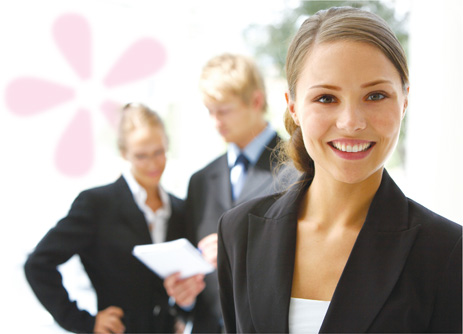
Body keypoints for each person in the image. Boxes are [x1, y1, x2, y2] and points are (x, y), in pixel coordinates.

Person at [217, 7, 462, 334]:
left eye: (375, 95)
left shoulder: (446, 252)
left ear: (404, 100)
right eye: (326, 98)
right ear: (293, 106)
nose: (351, 122)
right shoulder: (239, 232)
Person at [24, 103, 194, 333]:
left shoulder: (180, 209)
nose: (153, 164)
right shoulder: (97, 205)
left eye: (159, 152)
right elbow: (38, 264)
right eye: (141, 156)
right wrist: (83, 322)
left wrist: (183, 314)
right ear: (124, 153)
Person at [163, 53, 282, 333]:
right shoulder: (200, 181)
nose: (216, 122)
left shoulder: (299, 170)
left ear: (255, 101)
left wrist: (236, 250)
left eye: (224, 110)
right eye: (209, 111)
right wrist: (185, 298)